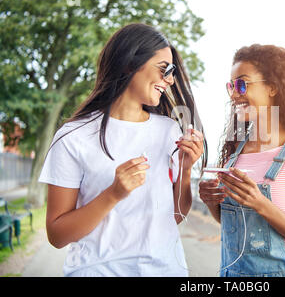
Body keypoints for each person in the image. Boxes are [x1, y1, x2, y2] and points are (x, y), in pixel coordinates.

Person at [38, 23, 207, 277]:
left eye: (172, 72)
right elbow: (57, 235)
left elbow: (175, 216)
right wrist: (113, 194)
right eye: (164, 69)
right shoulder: (73, 137)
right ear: (130, 64)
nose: (170, 80)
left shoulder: (169, 131)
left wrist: (185, 170)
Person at [199, 44, 285, 277]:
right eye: (231, 86)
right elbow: (234, 226)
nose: (234, 94)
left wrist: (261, 204)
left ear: (273, 88)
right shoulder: (236, 151)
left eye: (242, 84)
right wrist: (211, 202)